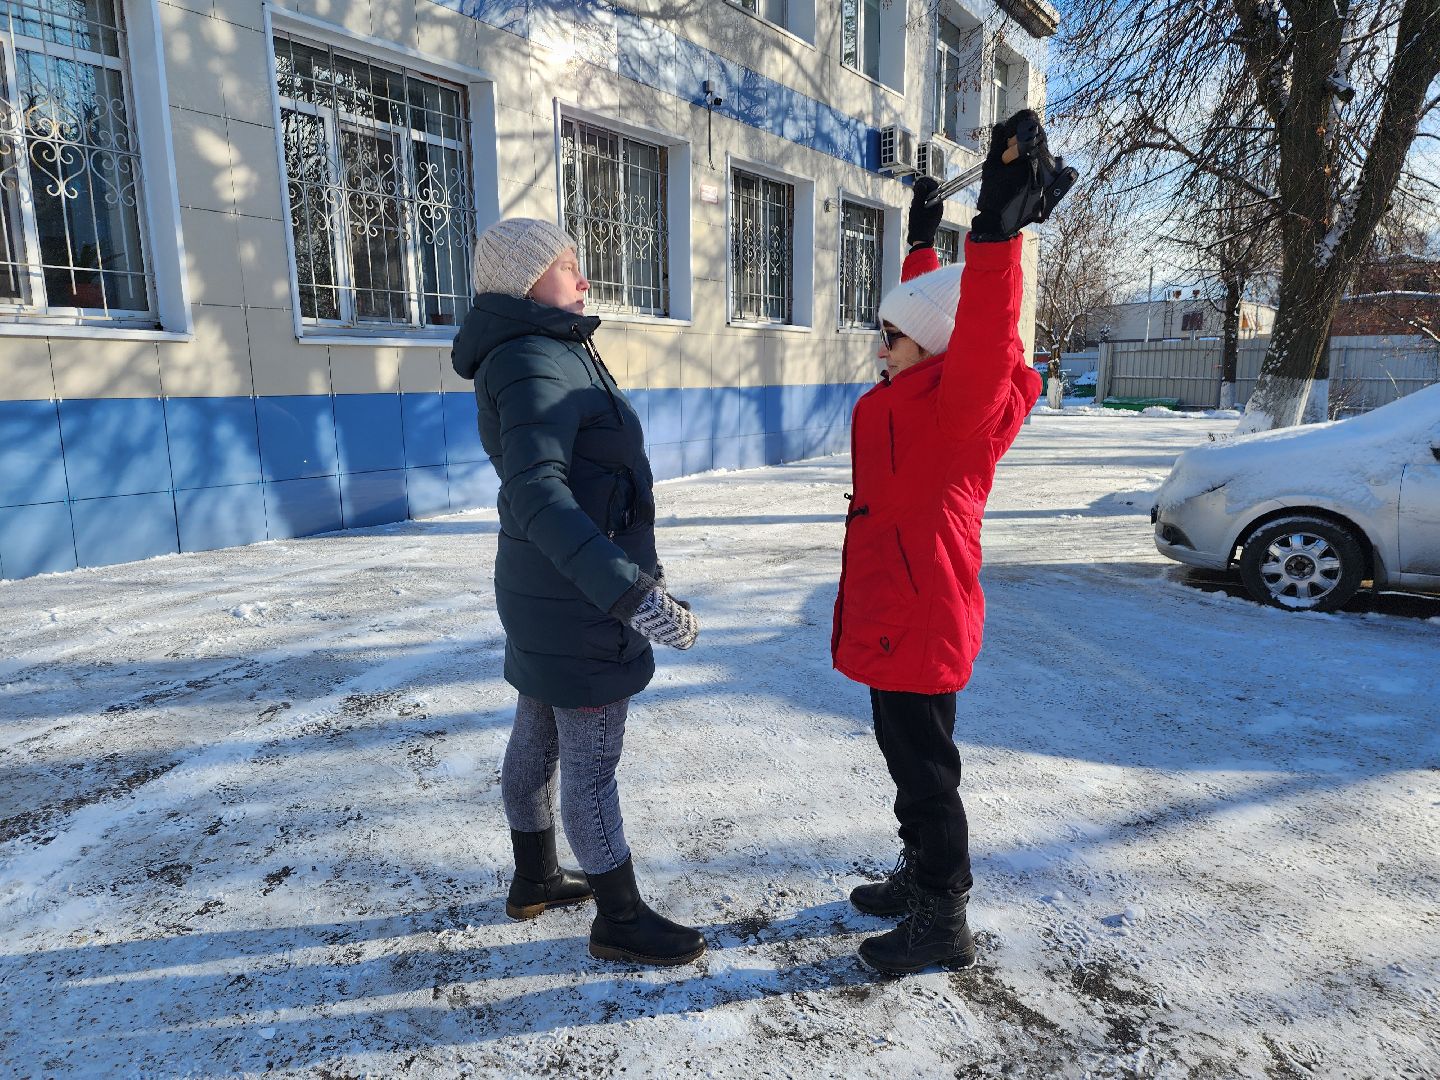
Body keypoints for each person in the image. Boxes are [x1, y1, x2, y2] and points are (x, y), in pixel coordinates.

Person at [831, 111, 1067, 974]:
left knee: (928, 777)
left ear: (924, 347)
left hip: (919, 612)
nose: (878, 348)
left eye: (886, 338)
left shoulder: (956, 411)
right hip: (898, 608)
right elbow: (935, 315)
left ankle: (943, 917)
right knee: (908, 762)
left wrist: (995, 236)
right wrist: (923, 240)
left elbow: (978, 332)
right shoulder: (924, 381)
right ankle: (920, 873)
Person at [450, 218, 705, 967]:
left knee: (540, 733)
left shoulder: (550, 349)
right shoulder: (532, 358)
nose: (584, 279)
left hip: (548, 591)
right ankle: (620, 920)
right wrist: (627, 594)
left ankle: (534, 880)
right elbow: (539, 493)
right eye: (570, 266)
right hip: (578, 598)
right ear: (530, 281)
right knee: (591, 764)